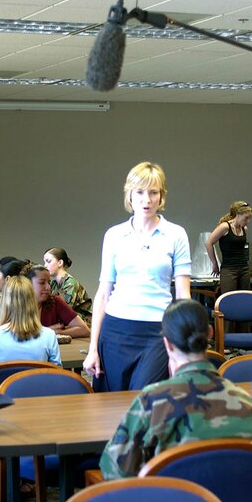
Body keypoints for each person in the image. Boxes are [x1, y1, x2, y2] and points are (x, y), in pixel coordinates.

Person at [99, 300, 252, 479]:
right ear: (210, 333)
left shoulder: (152, 401)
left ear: (167, 344)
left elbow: (114, 470)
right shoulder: (245, 401)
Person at [84, 161, 192, 392]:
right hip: (115, 331)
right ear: (129, 196)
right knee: (111, 408)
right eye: (140, 192)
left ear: (161, 197)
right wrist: (93, 348)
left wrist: (182, 350)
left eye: (154, 192)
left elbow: (184, 296)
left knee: (146, 400)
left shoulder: (176, 234)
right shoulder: (114, 235)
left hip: (158, 332)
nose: (147, 199)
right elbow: (103, 293)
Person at [0, 276, 61, 367]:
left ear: (4, 303)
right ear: (33, 303)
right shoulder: (49, 335)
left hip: (3, 381)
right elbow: (57, 375)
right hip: (39, 381)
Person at [25, 265, 90, 338]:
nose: (48, 287)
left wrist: (59, 332)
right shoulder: (17, 303)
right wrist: (46, 332)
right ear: (29, 284)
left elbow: (85, 330)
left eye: (49, 282)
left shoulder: (55, 301)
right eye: (42, 283)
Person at [205, 200, 252, 293]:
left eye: (249, 218)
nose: (248, 221)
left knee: (245, 297)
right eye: (246, 218)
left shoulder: (244, 229)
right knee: (229, 298)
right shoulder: (225, 227)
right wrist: (215, 264)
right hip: (229, 269)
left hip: (244, 268)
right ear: (238, 215)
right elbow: (208, 243)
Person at [43, 247, 92, 324]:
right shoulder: (53, 284)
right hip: (66, 323)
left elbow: (64, 311)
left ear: (60, 263)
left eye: (48, 261)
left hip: (81, 325)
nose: (45, 266)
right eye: (45, 262)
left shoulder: (71, 283)